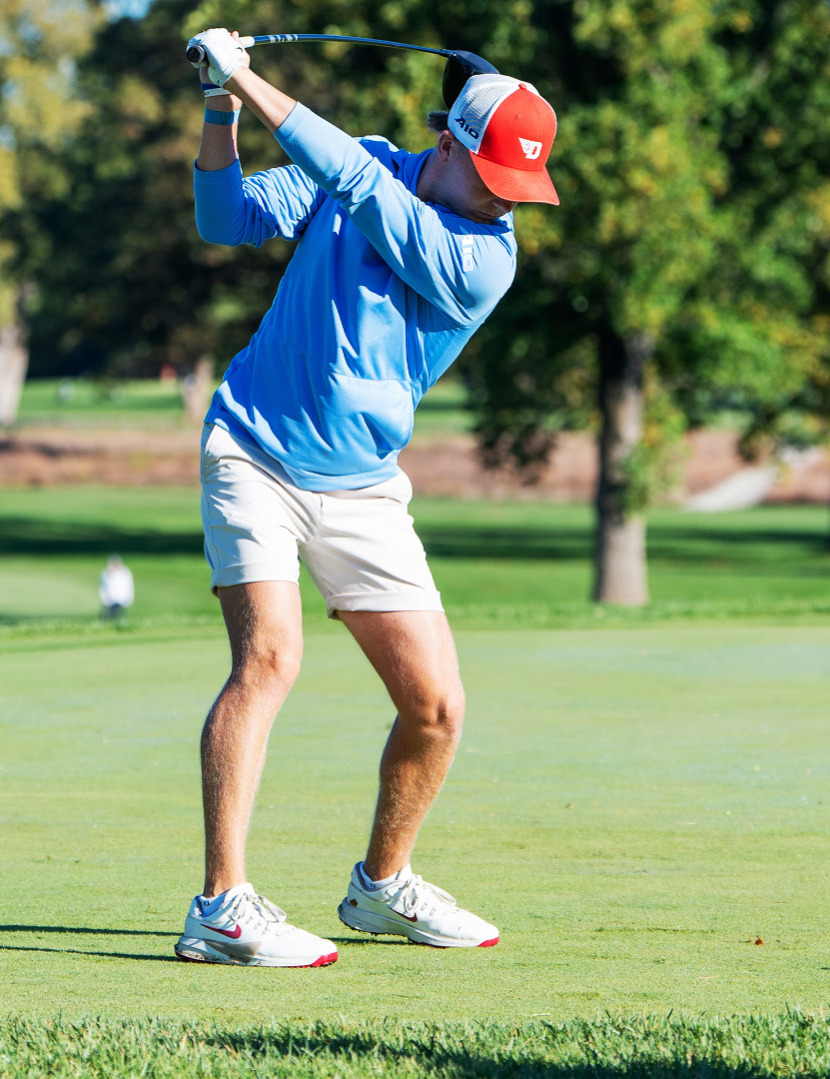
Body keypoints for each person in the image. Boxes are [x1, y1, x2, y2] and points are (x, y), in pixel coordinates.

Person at [174, 29, 559, 968]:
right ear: (455, 145)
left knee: (435, 705)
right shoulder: (376, 167)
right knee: (269, 659)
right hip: (253, 449)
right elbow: (226, 220)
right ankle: (221, 906)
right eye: (498, 175)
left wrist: (250, 77)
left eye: (524, 186)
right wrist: (222, 106)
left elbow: (356, 183)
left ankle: (382, 886)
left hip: (363, 487)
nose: (510, 199)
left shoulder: (483, 256)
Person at [99, 555, 135, 620]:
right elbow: (103, 587)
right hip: (110, 599)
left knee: (117, 614)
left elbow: (128, 586)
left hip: (121, 598)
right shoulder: (106, 573)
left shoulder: (125, 572)